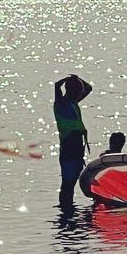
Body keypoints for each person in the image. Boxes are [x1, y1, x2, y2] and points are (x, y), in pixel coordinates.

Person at [53, 75, 91, 211]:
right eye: (77, 90)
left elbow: (89, 88)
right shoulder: (61, 104)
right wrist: (63, 81)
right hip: (68, 148)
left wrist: (79, 78)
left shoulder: (73, 103)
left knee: (72, 183)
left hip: (77, 150)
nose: (79, 93)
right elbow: (57, 86)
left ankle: (68, 207)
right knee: (67, 184)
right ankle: (65, 208)